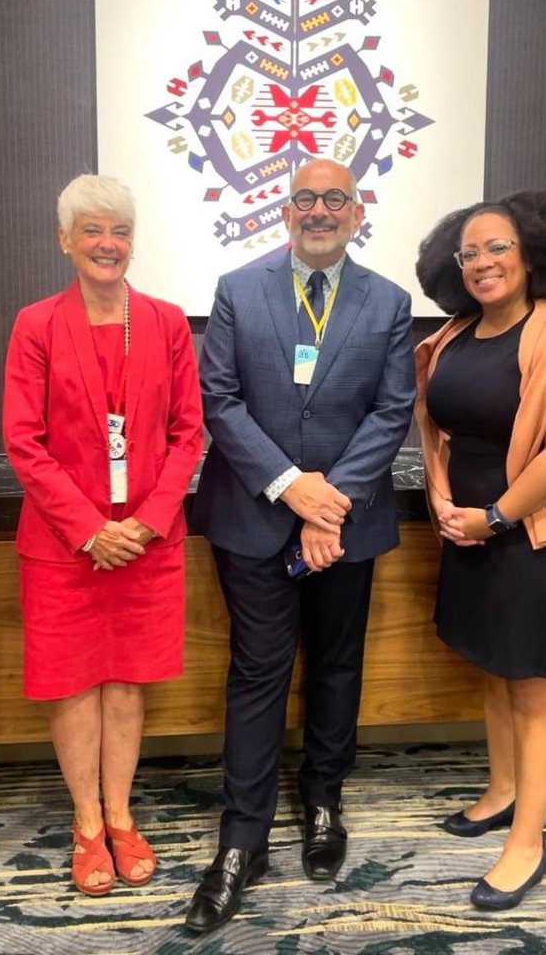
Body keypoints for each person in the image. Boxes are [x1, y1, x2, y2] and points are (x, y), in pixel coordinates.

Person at [185, 157, 416, 933]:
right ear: (285, 211)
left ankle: (323, 802)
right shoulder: (236, 289)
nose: (319, 211)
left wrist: (328, 506)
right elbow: (217, 399)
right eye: (305, 198)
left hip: (346, 522)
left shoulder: (387, 302)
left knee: (337, 662)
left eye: (335, 200)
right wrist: (291, 488)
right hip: (252, 515)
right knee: (257, 669)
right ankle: (240, 840)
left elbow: (390, 412)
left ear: (357, 213)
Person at [414, 190, 546, 911]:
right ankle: (501, 791)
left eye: (496, 247)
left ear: (533, 254)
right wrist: (442, 500)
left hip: (535, 538)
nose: (480, 262)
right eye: (468, 251)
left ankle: (528, 840)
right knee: (492, 665)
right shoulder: (455, 334)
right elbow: (438, 431)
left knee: (535, 685)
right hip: (470, 530)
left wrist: (495, 518)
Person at [3, 173, 203, 896]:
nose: (106, 243)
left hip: (148, 543)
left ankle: (122, 815)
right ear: (65, 240)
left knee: (125, 684)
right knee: (73, 686)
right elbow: (23, 442)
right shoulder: (35, 325)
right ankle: (86, 823)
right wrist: (90, 529)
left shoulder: (167, 321)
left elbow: (189, 433)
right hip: (63, 546)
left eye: (118, 230)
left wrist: (146, 522)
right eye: (91, 230)